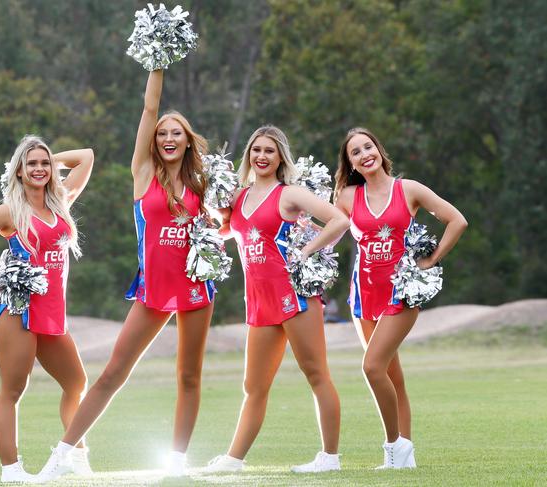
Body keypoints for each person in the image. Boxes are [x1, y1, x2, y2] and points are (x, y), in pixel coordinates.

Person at [35, 69, 215, 481]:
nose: (168, 138)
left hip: (196, 288)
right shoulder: (143, 173)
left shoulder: (201, 184)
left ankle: (177, 463)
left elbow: (223, 225)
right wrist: (160, 63)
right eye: (163, 134)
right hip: (153, 289)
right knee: (112, 374)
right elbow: (150, 107)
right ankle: (62, 456)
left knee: (189, 376)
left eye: (177, 134)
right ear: (155, 141)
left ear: (187, 141)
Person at [204, 126, 350, 474]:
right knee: (253, 387)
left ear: (280, 156)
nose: (262, 156)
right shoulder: (237, 198)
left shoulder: (289, 194)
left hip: (295, 298)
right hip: (258, 302)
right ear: (248, 156)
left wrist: (304, 252)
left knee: (316, 375)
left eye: (270, 151)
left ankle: (329, 458)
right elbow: (226, 232)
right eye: (256, 150)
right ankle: (233, 460)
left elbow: (339, 220)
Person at [0, 135, 94, 483]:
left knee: (76, 382)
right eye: (31, 164)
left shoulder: (61, 201)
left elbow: (86, 157)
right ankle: (12, 471)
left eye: (44, 164)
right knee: (13, 390)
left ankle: (75, 455)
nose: (40, 168)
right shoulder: (10, 211)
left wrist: (47, 156)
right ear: (18, 171)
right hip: (18, 310)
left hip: (52, 311)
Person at [334, 127, 467, 468]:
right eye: (355, 152)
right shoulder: (347, 196)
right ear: (350, 163)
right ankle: (404, 453)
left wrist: (431, 259)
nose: (364, 154)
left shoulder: (407, 189)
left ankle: (393, 448)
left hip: (401, 293)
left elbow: (457, 220)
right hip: (362, 296)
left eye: (368, 146)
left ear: (378, 149)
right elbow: (329, 231)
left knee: (372, 367)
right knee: (392, 376)